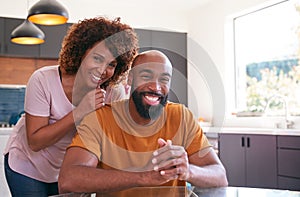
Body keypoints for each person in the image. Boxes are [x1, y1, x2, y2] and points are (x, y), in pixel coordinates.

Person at [58, 50, 228, 196]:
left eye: (164, 79)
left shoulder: (181, 116)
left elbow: (219, 175)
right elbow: (68, 179)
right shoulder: (100, 119)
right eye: (146, 76)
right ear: (130, 79)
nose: (156, 86)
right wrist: (143, 177)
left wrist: (187, 170)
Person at [4, 17, 138, 197]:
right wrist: (80, 111)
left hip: (70, 170)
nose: (103, 70)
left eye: (112, 64)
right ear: (81, 53)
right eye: (97, 58)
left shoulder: (114, 93)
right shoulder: (43, 79)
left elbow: (113, 141)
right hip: (28, 166)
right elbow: (35, 142)